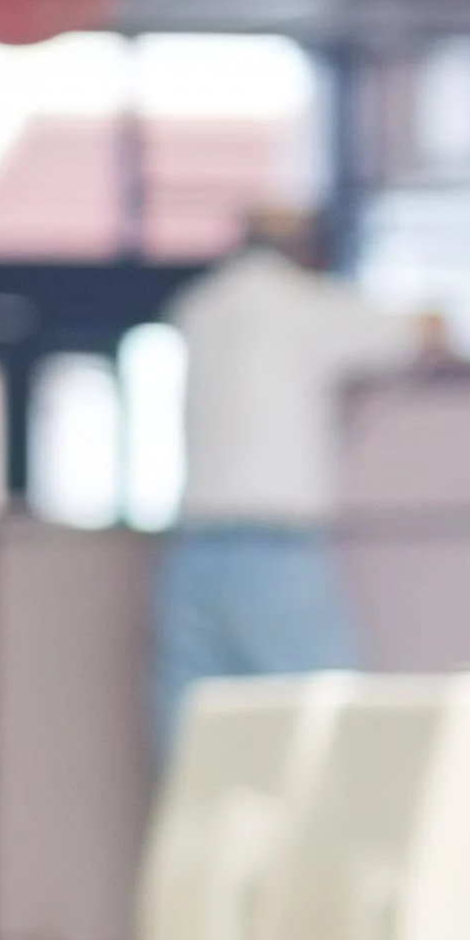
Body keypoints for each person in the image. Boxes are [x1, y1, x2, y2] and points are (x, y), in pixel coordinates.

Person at [151, 206, 434, 763]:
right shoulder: (299, 307)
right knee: (321, 726)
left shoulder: (200, 307)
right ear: (307, 251)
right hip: (275, 549)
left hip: (193, 551)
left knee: (197, 747)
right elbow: (421, 331)